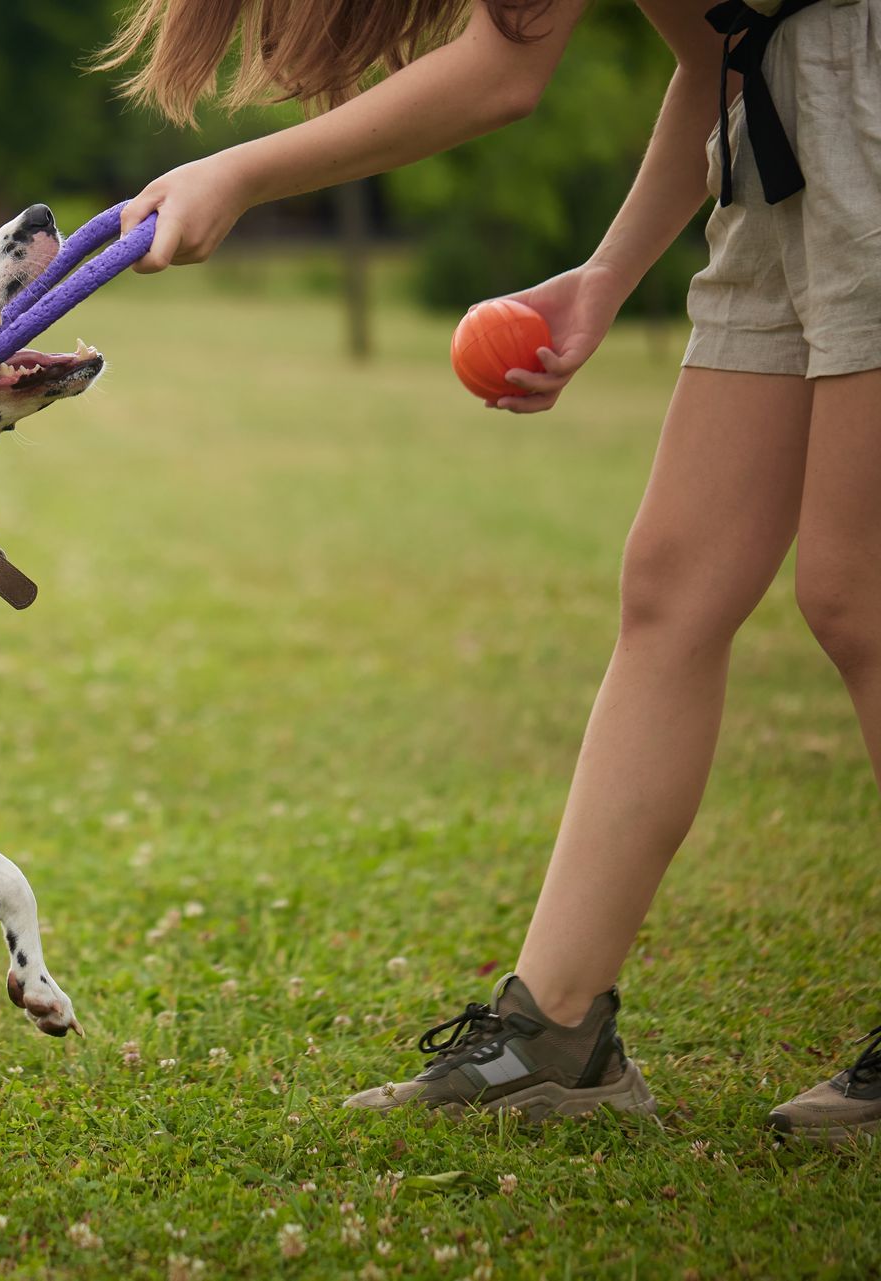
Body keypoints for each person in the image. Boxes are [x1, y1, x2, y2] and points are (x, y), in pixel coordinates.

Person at [95, 0, 880, 1141]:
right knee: (674, 584)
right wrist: (610, 275)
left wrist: (241, 173)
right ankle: (557, 1039)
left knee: (857, 591)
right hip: (783, 128)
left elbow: (502, 75)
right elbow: (724, 58)